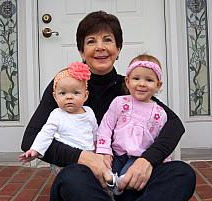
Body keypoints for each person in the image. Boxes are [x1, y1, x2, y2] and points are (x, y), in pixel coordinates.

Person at [21, 10, 196, 201]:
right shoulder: (65, 87)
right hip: (87, 180)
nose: (100, 47)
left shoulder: (130, 86)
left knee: (182, 173)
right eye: (91, 41)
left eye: (107, 40)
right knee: (71, 177)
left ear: (118, 49)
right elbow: (30, 139)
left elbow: (174, 124)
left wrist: (147, 160)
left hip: (127, 176)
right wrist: (84, 158)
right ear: (81, 51)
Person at [96, 54, 171, 195]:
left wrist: (162, 162)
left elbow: (160, 141)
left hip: (139, 159)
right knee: (105, 177)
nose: (142, 84)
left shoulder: (160, 113)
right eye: (136, 78)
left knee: (129, 181)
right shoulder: (119, 102)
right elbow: (105, 127)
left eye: (149, 80)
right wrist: (104, 150)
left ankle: (120, 193)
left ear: (158, 85)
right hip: (117, 154)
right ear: (128, 81)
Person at [18, 62, 97, 164]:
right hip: (67, 159)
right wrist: (35, 150)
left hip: (89, 155)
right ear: (55, 97)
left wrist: (97, 149)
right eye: (63, 93)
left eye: (76, 93)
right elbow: (46, 133)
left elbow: (95, 131)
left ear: (85, 96)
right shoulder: (57, 114)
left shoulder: (89, 112)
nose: (69, 97)